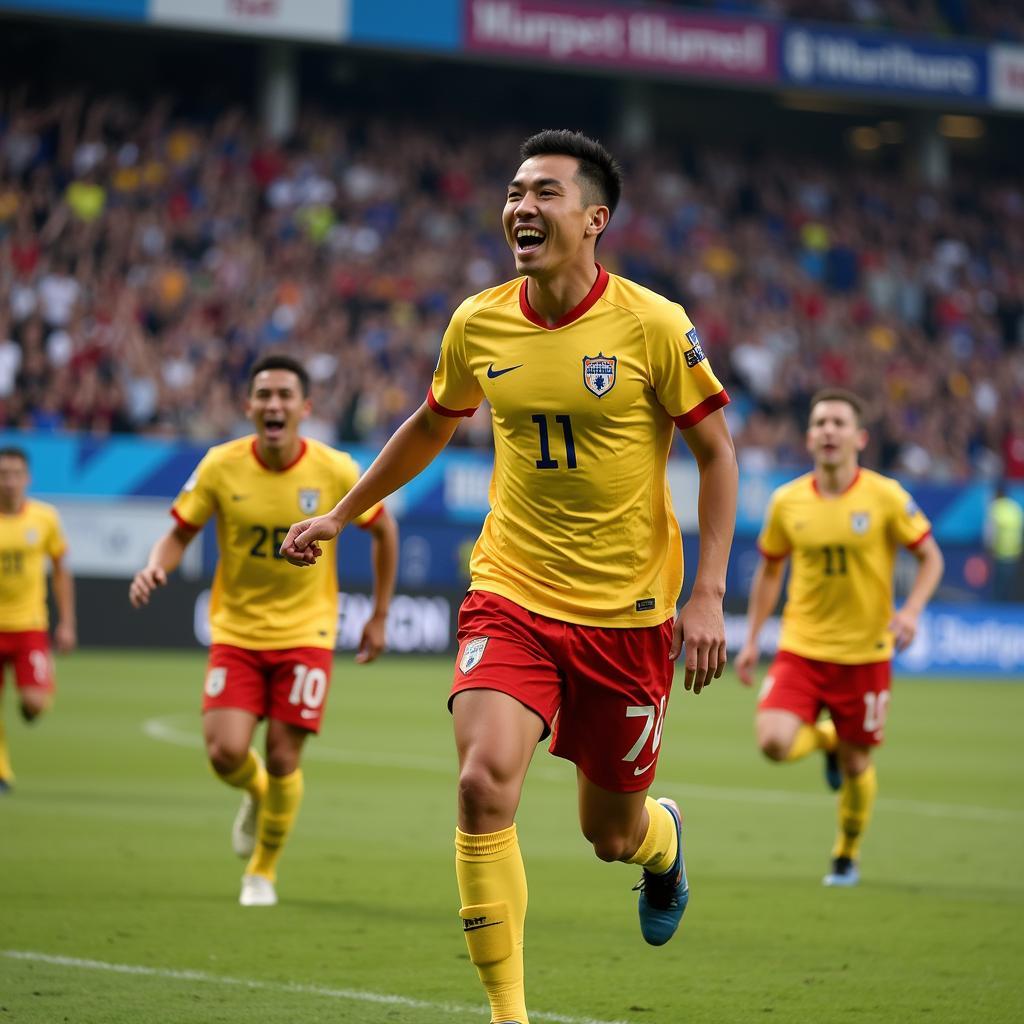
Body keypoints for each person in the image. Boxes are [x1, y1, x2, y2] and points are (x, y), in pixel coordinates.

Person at [281, 130, 737, 1024]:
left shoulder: (653, 324)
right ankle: (509, 1015)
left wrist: (710, 592)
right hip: (512, 591)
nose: (521, 206)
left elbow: (717, 456)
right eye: (514, 191)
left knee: (610, 834)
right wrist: (344, 512)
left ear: (594, 219)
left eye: (546, 193)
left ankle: (664, 843)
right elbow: (430, 421)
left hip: (627, 615)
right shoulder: (479, 320)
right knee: (482, 782)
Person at [130, 353, 398, 907]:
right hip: (237, 632)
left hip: (308, 633)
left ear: (304, 407)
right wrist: (158, 563)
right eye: (264, 395)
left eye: (284, 396)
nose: (273, 404)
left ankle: (262, 872)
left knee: (282, 757)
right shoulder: (220, 465)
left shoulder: (336, 469)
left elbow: (384, 531)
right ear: (248, 406)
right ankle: (255, 795)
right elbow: (178, 533)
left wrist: (378, 614)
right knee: (226, 753)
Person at [735, 388, 944, 888]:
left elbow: (931, 557)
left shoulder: (886, 496)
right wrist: (753, 638)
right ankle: (827, 738)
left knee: (857, 762)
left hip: (865, 654)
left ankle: (846, 855)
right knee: (773, 742)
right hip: (802, 648)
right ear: (809, 437)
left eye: (839, 423)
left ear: (859, 437)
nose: (829, 430)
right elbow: (769, 572)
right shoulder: (787, 501)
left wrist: (911, 611)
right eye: (821, 422)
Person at [0, 447, 77, 793]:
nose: (9, 481)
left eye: (15, 474)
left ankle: (42, 682)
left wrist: (67, 623)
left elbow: (61, 571)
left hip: (30, 625)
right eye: (3, 474)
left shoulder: (45, 519)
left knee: (34, 704)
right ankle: (2, 772)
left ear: (27, 478)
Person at [985, 481, 1022, 602]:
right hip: (1015, 553)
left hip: (999, 553)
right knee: (1010, 586)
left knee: (998, 587)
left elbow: (990, 533)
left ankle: (998, 611)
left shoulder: (995, 508)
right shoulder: (1015, 508)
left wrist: (989, 548)